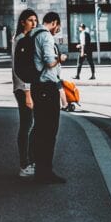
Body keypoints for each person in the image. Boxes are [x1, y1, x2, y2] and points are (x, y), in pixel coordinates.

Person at [29, 11, 66, 184]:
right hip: (46, 88)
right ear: (54, 23)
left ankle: (40, 169)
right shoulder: (46, 37)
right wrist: (61, 58)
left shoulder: (34, 34)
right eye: (58, 26)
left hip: (37, 86)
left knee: (41, 129)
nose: (58, 29)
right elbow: (50, 62)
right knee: (49, 131)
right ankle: (45, 172)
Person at [12, 8, 38, 178]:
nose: (34, 23)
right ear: (23, 22)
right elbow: (21, 69)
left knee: (29, 124)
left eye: (35, 20)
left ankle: (29, 160)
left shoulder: (27, 39)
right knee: (26, 125)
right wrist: (28, 92)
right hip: (23, 88)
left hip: (26, 87)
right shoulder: (21, 40)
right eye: (30, 20)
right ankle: (25, 164)